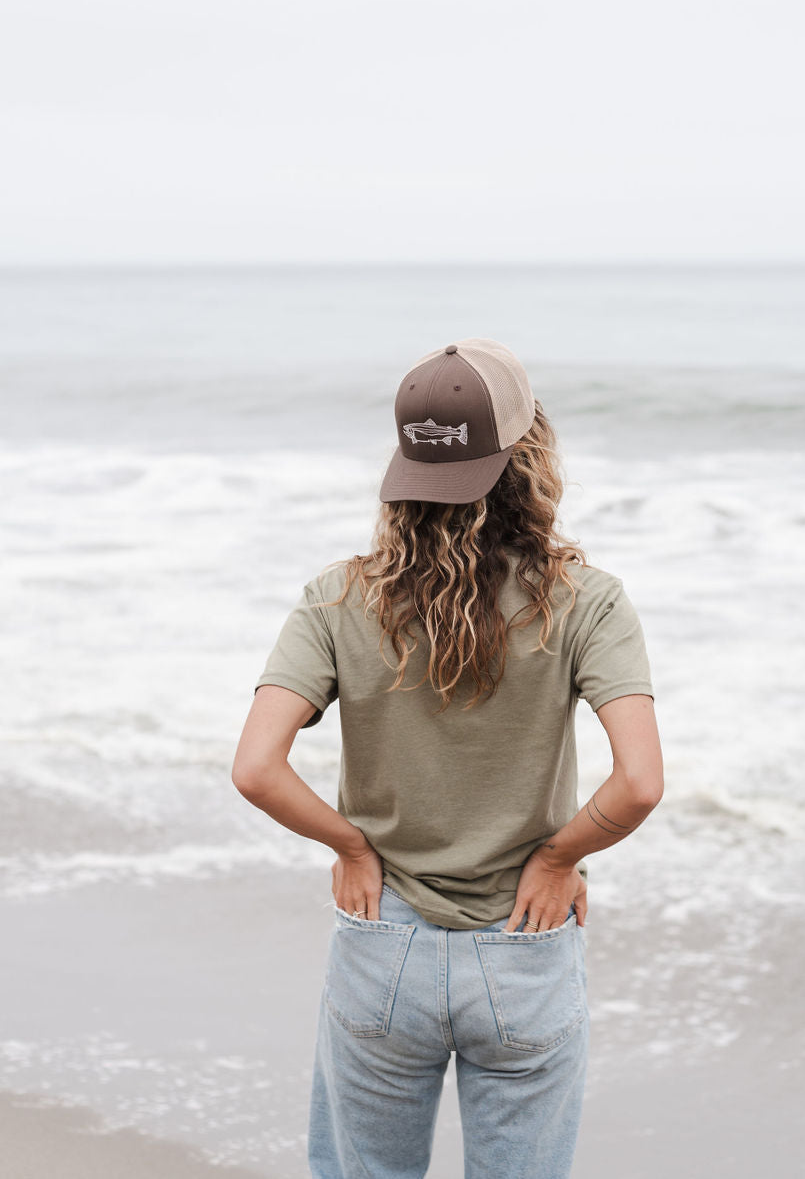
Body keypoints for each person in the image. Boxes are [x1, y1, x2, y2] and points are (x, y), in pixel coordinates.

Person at [231, 337, 663, 1179]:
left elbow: (256, 767)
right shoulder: (585, 600)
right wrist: (559, 857)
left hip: (381, 938)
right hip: (525, 937)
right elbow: (640, 782)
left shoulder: (338, 596)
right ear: (526, 455)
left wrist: (350, 845)